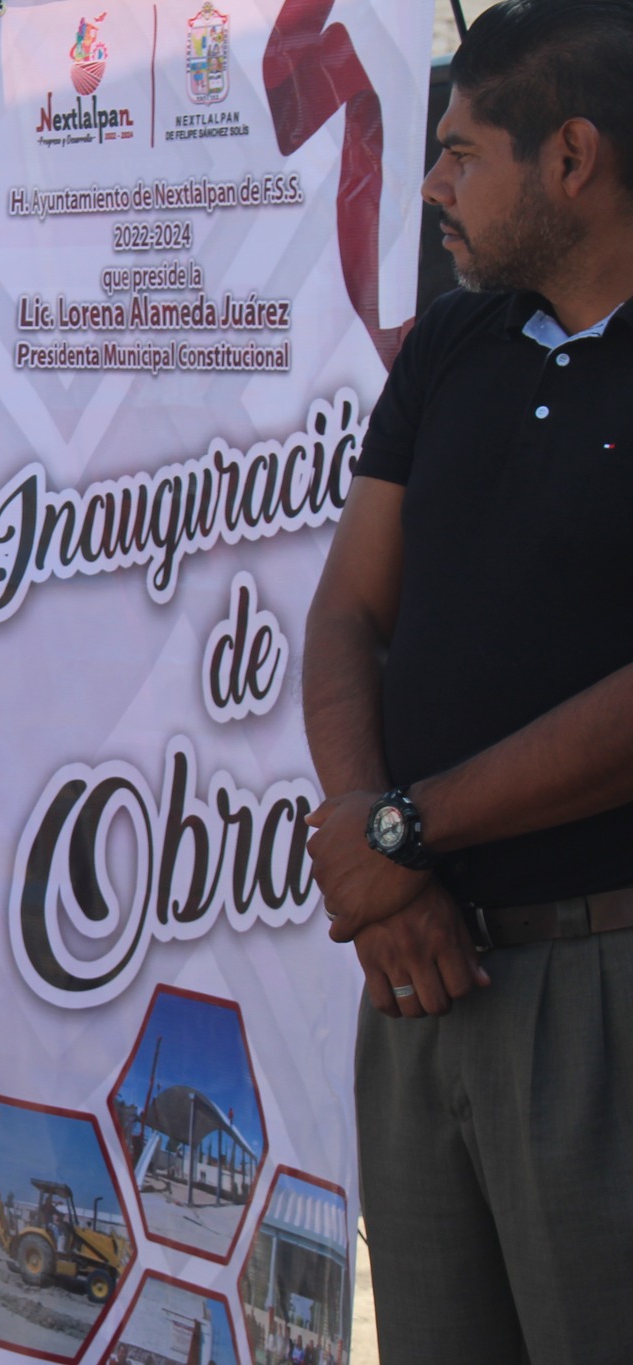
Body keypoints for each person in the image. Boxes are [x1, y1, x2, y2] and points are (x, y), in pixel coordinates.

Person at [300, 2, 633, 1361]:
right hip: (420, 974)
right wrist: (384, 862)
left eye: (460, 149)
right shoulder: (452, 349)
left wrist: (401, 830)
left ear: (572, 158)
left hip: (597, 975)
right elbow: (345, 609)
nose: (432, 184)